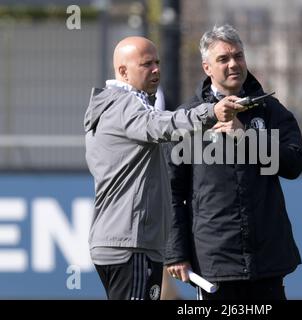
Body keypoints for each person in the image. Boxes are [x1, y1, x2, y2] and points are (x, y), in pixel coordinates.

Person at [84, 36, 243, 300]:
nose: (156, 69)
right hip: (131, 243)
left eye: (157, 62)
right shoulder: (124, 105)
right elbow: (161, 126)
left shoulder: (111, 107)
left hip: (118, 241)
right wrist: (210, 113)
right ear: (123, 71)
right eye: (146, 64)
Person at [165, 24, 302, 300]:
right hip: (215, 262)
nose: (233, 64)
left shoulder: (269, 109)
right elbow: (172, 192)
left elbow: (295, 164)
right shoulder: (188, 118)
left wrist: (247, 138)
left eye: (238, 56)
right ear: (207, 67)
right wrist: (176, 252)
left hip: (267, 259)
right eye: (223, 59)